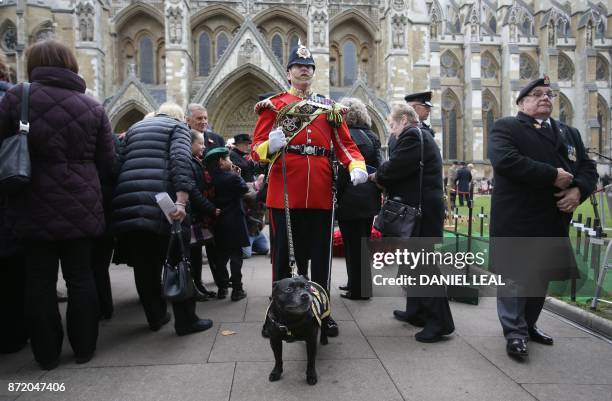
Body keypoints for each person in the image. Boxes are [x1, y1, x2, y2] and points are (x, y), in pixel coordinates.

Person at [0, 40, 116, 369]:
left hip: (30, 202)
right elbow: (108, 162)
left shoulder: (17, 97)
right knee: (81, 277)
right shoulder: (92, 107)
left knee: (39, 281)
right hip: (81, 206)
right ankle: (84, 348)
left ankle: (47, 355)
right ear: (71, 64)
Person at [252, 41, 367, 337]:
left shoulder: (328, 109)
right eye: (298, 66)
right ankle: (278, 314)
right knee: (283, 260)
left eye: (309, 67)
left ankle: (322, 312)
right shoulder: (275, 106)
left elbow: (345, 144)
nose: (304, 70)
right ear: (288, 72)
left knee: (321, 260)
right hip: (285, 192)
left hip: (319, 192)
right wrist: (269, 146)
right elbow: (254, 151)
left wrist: (356, 165)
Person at [488, 75, 597, 359]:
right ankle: (514, 333)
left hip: (552, 220)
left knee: (540, 278)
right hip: (518, 220)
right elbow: (506, 160)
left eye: (549, 94)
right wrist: (551, 175)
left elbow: (587, 167)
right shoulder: (507, 127)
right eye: (537, 94)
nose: (545, 98)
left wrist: (578, 191)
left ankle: (529, 324)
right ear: (522, 102)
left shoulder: (568, 133)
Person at [112, 102, 213, 336]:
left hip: (129, 203)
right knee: (178, 260)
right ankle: (186, 321)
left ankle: (155, 317)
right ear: (180, 118)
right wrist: (181, 201)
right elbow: (180, 162)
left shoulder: (135, 128)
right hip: (163, 205)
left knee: (144, 266)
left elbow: (117, 162)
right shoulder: (177, 128)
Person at [370, 103, 454, 343]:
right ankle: (416, 311)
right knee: (412, 265)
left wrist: (377, 175)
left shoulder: (413, 137)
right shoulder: (417, 136)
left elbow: (395, 167)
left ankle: (440, 323)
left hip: (421, 215)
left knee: (423, 268)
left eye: (393, 125)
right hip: (420, 211)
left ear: (404, 120)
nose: (393, 131)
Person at [336, 97, 382, 300]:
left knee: (352, 245)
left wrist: (336, 192)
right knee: (362, 243)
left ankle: (358, 289)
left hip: (350, 196)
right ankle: (357, 283)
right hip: (370, 196)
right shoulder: (372, 136)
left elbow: (343, 170)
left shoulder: (346, 136)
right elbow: (380, 166)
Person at [204, 147, 249, 301]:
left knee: (221, 257)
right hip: (235, 221)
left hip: (219, 222)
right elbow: (243, 189)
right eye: (228, 159)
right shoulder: (232, 177)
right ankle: (237, 289)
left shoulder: (210, 179)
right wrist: (237, 175)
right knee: (236, 256)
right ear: (221, 161)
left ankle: (222, 288)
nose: (231, 162)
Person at [188, 129, 220, 300]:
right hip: (193, 214)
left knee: (196, 254)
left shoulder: (195, 161)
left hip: (198, 214)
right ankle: (194, 287)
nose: (203, 146)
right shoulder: (189, 162)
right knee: (192, 255)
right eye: (200, 143)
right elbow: (193, 191)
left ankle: (198, 285)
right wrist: (210, 208)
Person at [242, 173, 270, 258]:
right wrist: (261, 194)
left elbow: (266, 213)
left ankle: (250, 245)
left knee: (264, 249)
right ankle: (237, 246)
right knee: (246, 254)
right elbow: (248, 195)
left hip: (256, 230)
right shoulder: (248, 186)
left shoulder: (266, 192)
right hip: (246, 229)